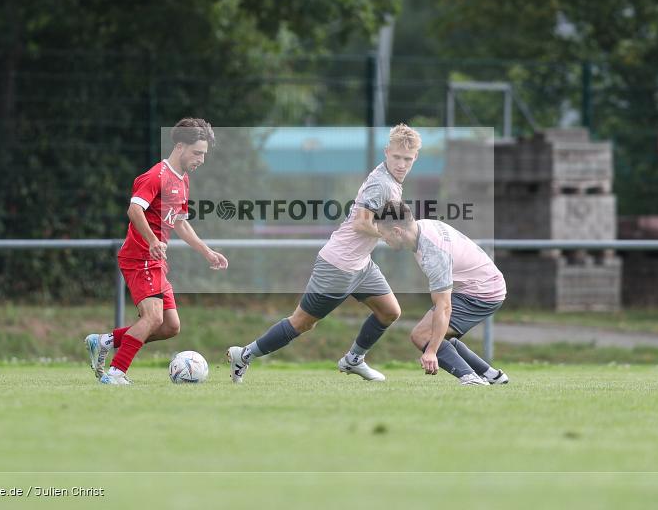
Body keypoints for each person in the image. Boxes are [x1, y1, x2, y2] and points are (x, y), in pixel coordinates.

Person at [227, 124, 422, 383]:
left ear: (415, 158)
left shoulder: (393, 181)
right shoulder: (381, 184)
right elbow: (361, 223)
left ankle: (354, 360)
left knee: (389, 311)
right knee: (302, 323)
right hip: (338, 265)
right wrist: (388, 235)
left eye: (407, 159)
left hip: (361, 265)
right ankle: (244, 355)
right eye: (396, 157)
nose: (401, 163)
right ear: (387, 152)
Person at [85, 118, 228, 385]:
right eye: (197, 152)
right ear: (180, 146)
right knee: (152, 317)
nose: (201, 159)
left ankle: (103, 341)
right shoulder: (156, 176)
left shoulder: (182, 180)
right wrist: (152, 240)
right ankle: (116, 373)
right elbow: (134, 210)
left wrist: (207, 252)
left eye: (204, 154)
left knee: (170, 326)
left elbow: (181, 223)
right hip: (140, 257)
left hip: (156, 261)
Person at [374, 201, 508, 386]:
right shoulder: (422, 227)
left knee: (423, 336)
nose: (383, 240)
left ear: (397, 231)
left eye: (383, 234)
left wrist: (431, 351)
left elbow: (444, 307)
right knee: (436, 333)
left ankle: (471, 379)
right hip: (483, 285)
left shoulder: (433, 253)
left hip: (483, 291)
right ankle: (492, 375)